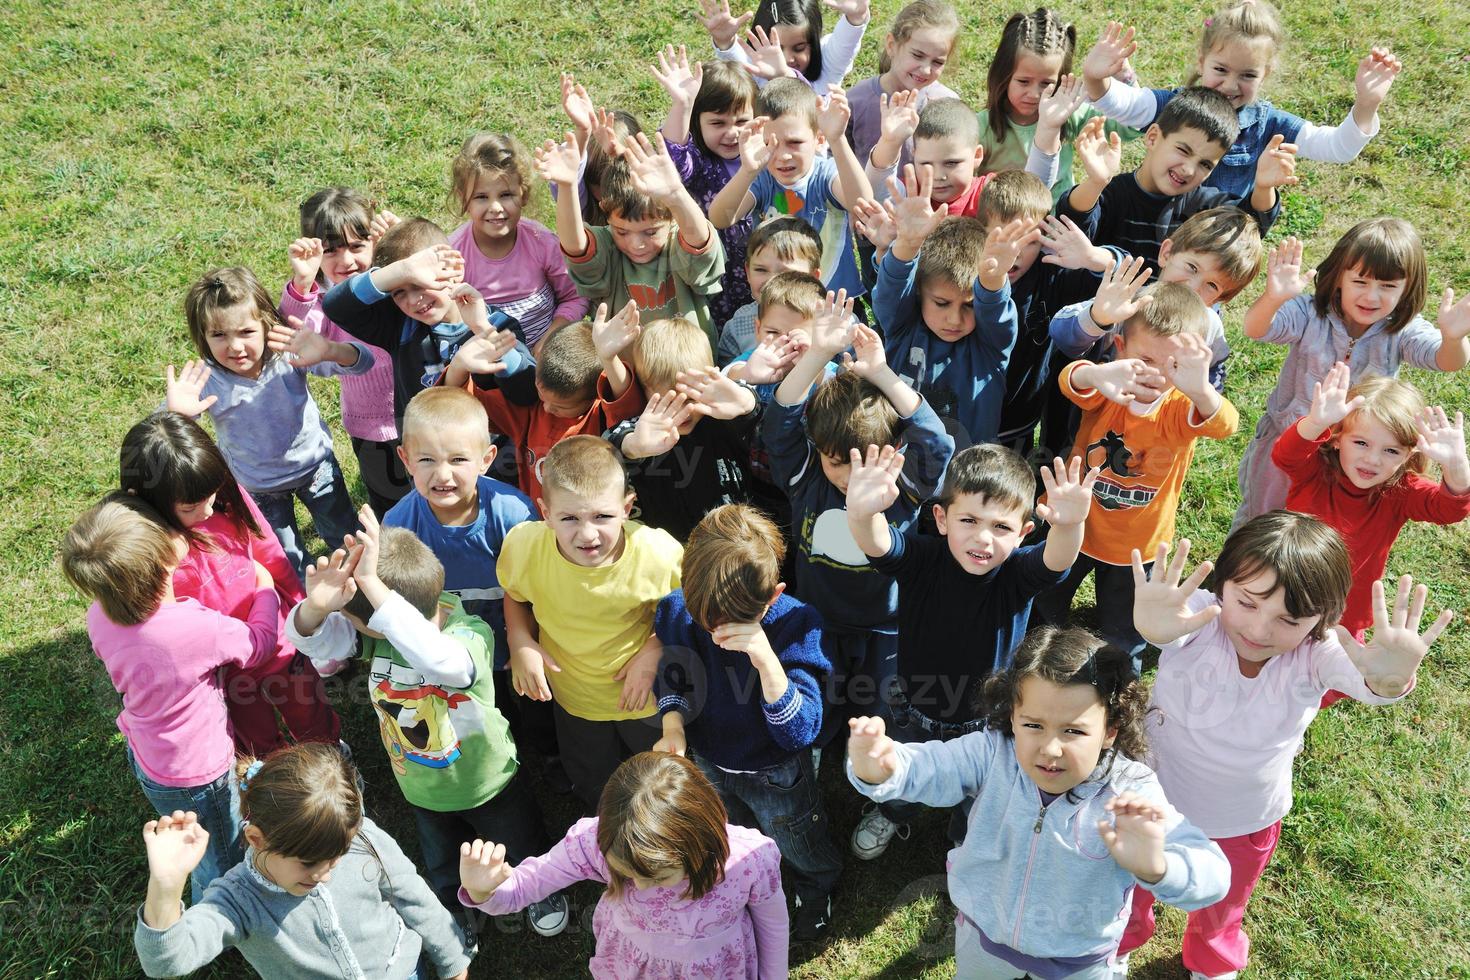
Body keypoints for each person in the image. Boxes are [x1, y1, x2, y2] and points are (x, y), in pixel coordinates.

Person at [1121, 515, 1452, 980]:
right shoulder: (1200, 617)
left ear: (1324, 619)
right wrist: (1151, 625)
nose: (1260, 629)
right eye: (1247, 602)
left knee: (1224, 905)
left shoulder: (1318, 655)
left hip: (1245, 819)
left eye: (1289, 619)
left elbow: (1368, 684)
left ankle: (1213, 960)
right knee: (1128, 887)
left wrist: (1390, 677)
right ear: (1222, 587)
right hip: (1151, 799)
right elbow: (1164, 627)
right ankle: (1117, 943)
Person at [847, 627, 1230, 979]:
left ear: (1110, 730)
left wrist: (1159, 867)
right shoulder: (992, 752)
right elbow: (931, 767)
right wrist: (883, 767)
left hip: (1081, 959)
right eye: (1033, 725)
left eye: (1074, 731)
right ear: (1011, 715)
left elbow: (1213, 875)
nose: (1050, 748)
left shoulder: (1129, 793)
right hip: (983, 937)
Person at [286, 510, 569, 940]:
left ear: (384, 616)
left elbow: (442, 663)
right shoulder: (376, 637)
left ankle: (532, 887)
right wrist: (315, 610)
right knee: (441, 856)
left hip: (487, 780)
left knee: (518, 841)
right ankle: (453, 905)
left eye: (355, 618)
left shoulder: (469, 634)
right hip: (420, 784)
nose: (351, 627)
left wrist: (376, 594)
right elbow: (318, 646)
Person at [843, 444, 1094, 857]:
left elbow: (1056, 560)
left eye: (1000, 527)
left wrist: (1071, 525)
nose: (982, 538)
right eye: (969, 520)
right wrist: (861, 513)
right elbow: (879, 545)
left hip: (986, 721)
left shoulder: (1016, 575)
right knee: (902, 769)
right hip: (913, 706)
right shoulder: (922, 558)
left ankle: (967, 833)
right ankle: (894, 812)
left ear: (1023, 534)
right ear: (941, 519)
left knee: (979, 790)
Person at [61, 493, 281, 902]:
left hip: (149, 756)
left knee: (190, 835)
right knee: (221, 855)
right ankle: (221, 915)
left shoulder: (100, 614)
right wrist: (265, 588)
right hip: (200, 773)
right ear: (163, 563)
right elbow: (259, 643)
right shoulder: (191, 628)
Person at [763, 290, 954, 742]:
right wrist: (818, 356)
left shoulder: (900, 487)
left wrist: (883, 374)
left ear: (893, 453)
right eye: (836, 462)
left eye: (862, 463)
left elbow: (937, 443)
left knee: (880, 707)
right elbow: (780, 421)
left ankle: (874, 768)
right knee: (820, 693)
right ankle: (819, 742)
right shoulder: (806, 477)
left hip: (887, 625)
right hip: (817, 619)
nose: (850, 478)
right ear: (818, 453)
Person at [651, 504, 841, 939]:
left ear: (773, 596)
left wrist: (765, 659)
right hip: (711, 759)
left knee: (798, 840)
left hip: (777, 770)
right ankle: (745, 876)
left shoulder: (797, 625)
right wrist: (673, 725)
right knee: (731, 830)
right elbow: (674, 672)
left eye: (736, 622)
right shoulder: (679, 611)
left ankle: (816, 885)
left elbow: (801, 730)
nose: (718, 633)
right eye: (706, 621)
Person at [132, 743, 471, 980]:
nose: (323, 875)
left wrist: (453, 959)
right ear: (256, 839)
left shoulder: (361, 837)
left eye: (335, 860)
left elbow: (414, 896)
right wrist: (165, 885)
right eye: (308, 863)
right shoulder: (236, 901)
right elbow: (166, 962)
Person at [1032, 281, 1239, 663]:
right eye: (1145, 361)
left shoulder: (1180, 407)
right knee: (1042, 600)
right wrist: (1097, 375)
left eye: (1173, 366)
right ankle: (1036, 649)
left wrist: (1200, 389)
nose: (1157, 376)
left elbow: (1226, 424)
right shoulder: (1112, 385)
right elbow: (1070, 378)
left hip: (1137, 543)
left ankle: (1117, 672)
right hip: (1072, 525)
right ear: (1120, 348)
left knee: (1124, 627)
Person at [119, 411, 339, 755]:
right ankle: (271, 779)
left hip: (279, 639)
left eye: (213, 494)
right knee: (254, 737)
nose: (208, 510)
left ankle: (328, 753)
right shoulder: (147, 546)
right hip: (225, 667)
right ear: (145, 499)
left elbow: (268, 548)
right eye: (192, 506)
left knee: (308, 708)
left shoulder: (221, 496)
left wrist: (299, 608)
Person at [461, 752, 787, 978]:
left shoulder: (750, 861)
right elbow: (522, 889)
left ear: (697, 843)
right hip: (632, 966)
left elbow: (772, 927)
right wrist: (483, 889)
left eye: (658, 877)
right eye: (627, 874)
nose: (639, 886)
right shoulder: (601, 841)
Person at [1233, 225, 1470, 523]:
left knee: (1318, 534)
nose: (1372, 296)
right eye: (1360, 281)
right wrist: (1273, 298)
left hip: (1352, 456)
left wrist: (1453, 338)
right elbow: (1256, 329)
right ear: (1338, 278)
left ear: (1407, 288)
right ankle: (1239, 570)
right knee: (1259, 520)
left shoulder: (1402, 330)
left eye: (1387, 286)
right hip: (1290, 440)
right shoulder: (1310, 313)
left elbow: (1447, 361)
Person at [498, 436, 684, 809]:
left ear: (627, 507)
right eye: (569, 518)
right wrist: (520, 641)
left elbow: (686, 612)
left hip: (644, 700)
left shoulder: (659, 555)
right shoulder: (524, 546)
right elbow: (515, 596)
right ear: (545, 513)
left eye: (602, 516)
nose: (587, 534)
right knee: (595, 785)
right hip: (574, 699)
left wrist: (654, 650)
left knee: (659, 788)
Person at [1271, 367, 1470, 703]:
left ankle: (1295, 718)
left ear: (1409, 455)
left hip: (1342, 612)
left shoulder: (1400, 491)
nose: (1372, 459)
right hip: (1283, 590)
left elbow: (1448, 509)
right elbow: (1284, 454)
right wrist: (1315, 423)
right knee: (1267, 655)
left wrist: (1458, 467)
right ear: (1336, 439)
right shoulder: (1314, 471)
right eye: (1360, 442)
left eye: (1391, 451)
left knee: (1318, 680)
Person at [166, 266, 370, 578]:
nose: (234, 347)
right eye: (219, 335)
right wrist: (177, 414)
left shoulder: (287, 355)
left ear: (265, 325)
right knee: (285, 560)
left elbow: (363, 363)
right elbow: (161, 434)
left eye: (246, 332)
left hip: (315, 469)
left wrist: (330, 349)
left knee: (344, 536)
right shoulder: (207, 379)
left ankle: (360, 587)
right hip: (258, 486)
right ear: (202, 336)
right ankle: (307, 611)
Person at [1080, 3, 1402, 197]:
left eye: (1248, 75)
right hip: (1148, 236)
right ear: (1202, 59)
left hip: (1210, 264)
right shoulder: (1172, 106)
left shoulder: (1268, 126)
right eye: (1220, 69)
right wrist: (1096, 77)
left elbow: (1337, 148)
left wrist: (1366, 104)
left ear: (1266, 73)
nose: (1230, 85)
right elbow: (1123, 103)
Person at [870, 162, 1041, 445]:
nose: (954, 319)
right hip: (897, 472)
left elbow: (997, 312)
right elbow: (890, 292)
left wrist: (993, 279)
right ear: (919, 295)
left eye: (969, 306)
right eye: (941, 303)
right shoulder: (901, 327)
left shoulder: (990, 346)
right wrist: (907, 245)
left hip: (967, 480)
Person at [444, 290, 644, 508]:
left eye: (559, 407)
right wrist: (460, 365)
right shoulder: (530, 410)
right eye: (542, 396)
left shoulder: (600, 416)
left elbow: (627, 410)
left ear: (593, 397)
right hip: (539, 526)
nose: (546, 408)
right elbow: (463, 406)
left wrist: (608, 357)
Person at [1056, 87, 1286, 273]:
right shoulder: (1115, 193)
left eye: (1205, 164)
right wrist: (1096, 182)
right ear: (1153, 137)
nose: (1188, 169)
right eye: (1183, 151)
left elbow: (1248, 228)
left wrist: (1264, 187)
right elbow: (1072, 224)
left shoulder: (1204, 208)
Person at [539, 129, 726, 345]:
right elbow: (574, 245)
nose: (636, 244)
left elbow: (700, 242)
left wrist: (676, 194)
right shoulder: (607, 248)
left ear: (672, 218)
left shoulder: (679, 240)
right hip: (625, 374)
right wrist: (567, 185)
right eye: (622, 231)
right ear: (605, 212)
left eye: (651, 232)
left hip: (690, 371)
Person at [282, 187, 405, 514]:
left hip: (422, 411)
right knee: (391, 506)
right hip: (371, 426)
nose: (346, 260)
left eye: (357, 246)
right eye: (332, 251)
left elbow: (431, 286)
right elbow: (293, 335)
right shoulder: (321, 299)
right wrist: (303, 283)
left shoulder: (391, 279)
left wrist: (399, 244)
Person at [709, 78, 873, 302]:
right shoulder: (762, 179)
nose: (783, 155)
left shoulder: (825, 174)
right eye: (771, 144)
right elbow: (721, 218)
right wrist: (747, 171)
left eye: (795, 142)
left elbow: (861, 203)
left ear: (818, 140)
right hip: (778, 306)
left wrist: (838, 140)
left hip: (833, 303)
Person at [607, 316, 762, 540]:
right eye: (670, 401)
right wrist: (636, 446)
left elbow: (751, 411)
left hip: (731, 540)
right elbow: (618, 441)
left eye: (691, 398)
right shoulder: (645, 427)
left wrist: (747, 402)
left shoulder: (719, 415)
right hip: (666, 548)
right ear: (644, 389)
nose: (684, 410)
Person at [979, 7, 1142, 201]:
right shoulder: (982, 126)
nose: (1034, 94)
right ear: (1003, 75)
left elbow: (1132, 126)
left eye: (1047, 83)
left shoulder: (1070, 114)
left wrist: (1125, 76)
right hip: (1005, 224)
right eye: (1023, 81)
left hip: (1058, 221)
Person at [447, 132, 587, 350]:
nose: (495, 207)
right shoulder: (455, 255)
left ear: (523, 193)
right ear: (463, 198)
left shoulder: (542, 242)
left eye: (505, 195)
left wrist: (547, 342)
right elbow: (448, 323)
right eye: (481, 197)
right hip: (486, 367)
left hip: (547, 358)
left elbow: (575, 298)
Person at [652, 47, 761, 325]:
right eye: (717, 122)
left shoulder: (767, 156)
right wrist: (682, 105)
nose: (732, 132)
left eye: (741, 121)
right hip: (713, 276)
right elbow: (673, 162)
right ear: (697, 123)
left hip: (762, 271)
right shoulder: (699, 163)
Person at [715, 216, 824, 366]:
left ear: (813, 277)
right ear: (747, 272)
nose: (772, 280)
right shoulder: (737, 326)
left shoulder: (834, 321)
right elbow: (727, 373)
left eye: (787, 273)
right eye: (761, 270)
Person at [701, 0, 869, 94]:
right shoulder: (758, 71)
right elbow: (740, 67)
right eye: (777, 49)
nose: (787, 59)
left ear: (815, 42)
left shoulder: (828, 67)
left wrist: (856, 17)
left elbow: (844, 45)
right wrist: (726, 42)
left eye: (799, 48)